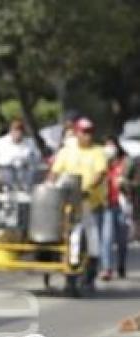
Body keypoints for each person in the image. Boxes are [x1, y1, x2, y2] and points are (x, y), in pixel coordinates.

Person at [48, 117, 107, 290]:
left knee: (92, 235)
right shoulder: (67, 151)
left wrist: (88, 188)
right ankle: (68, 272)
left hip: (89, 201)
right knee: (62, 234)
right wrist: (49, 186)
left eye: (90, 132)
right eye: (84, 132)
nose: (87, 136)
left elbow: (100, 173)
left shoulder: (98, 152)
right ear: (76, 133)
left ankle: (91, 271)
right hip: (67, 201)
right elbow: (55, 172)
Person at [100, 136, 133, 280]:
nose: (109, 149)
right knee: (106, 238)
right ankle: (107, 268)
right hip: (107, 205)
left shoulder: (126, 163)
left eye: (111, 145)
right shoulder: (102, 164)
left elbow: (135, 184)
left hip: (122, 204)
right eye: (106, 145)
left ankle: (121, 265)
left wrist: (125, 183)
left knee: (122, 239)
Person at [0, 119, 41, 186]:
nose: (18, 132)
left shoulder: (30, 143)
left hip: (26, 175)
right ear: (10, 131)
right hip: (5, 175)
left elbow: (38, 157)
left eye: (20, 129)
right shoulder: (0, 143)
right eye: (15, 129)